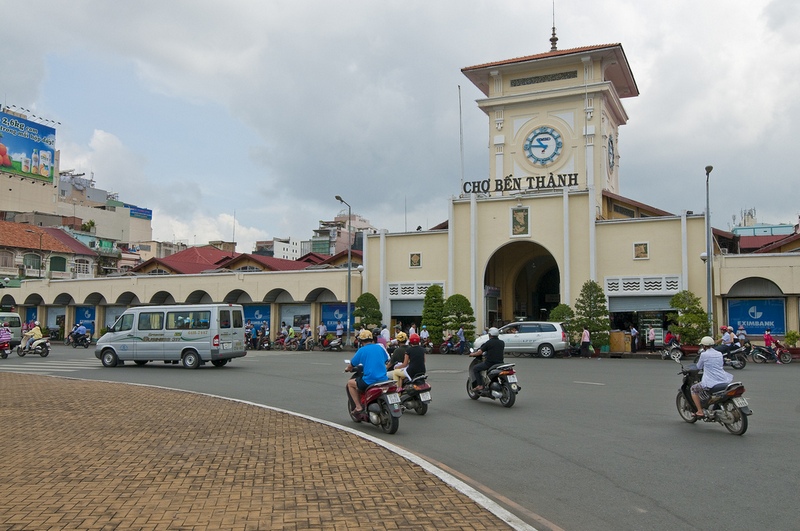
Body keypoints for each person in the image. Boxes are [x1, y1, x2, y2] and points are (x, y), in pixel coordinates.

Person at [345, 328, 390, 414]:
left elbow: (352, 364)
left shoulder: (362, 350)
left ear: (361, 341)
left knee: (350, 383)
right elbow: (386, 360)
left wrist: (348, 369)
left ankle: (358, 407)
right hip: (384, 379)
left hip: (370, 380)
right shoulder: (379, 348)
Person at [691, 336, 734, 418]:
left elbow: (699, 367)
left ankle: (699, 411)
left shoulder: (704, 354)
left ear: (703, 346)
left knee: (693, 389)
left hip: (710, 381)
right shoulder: (719, 353)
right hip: (723, 379)